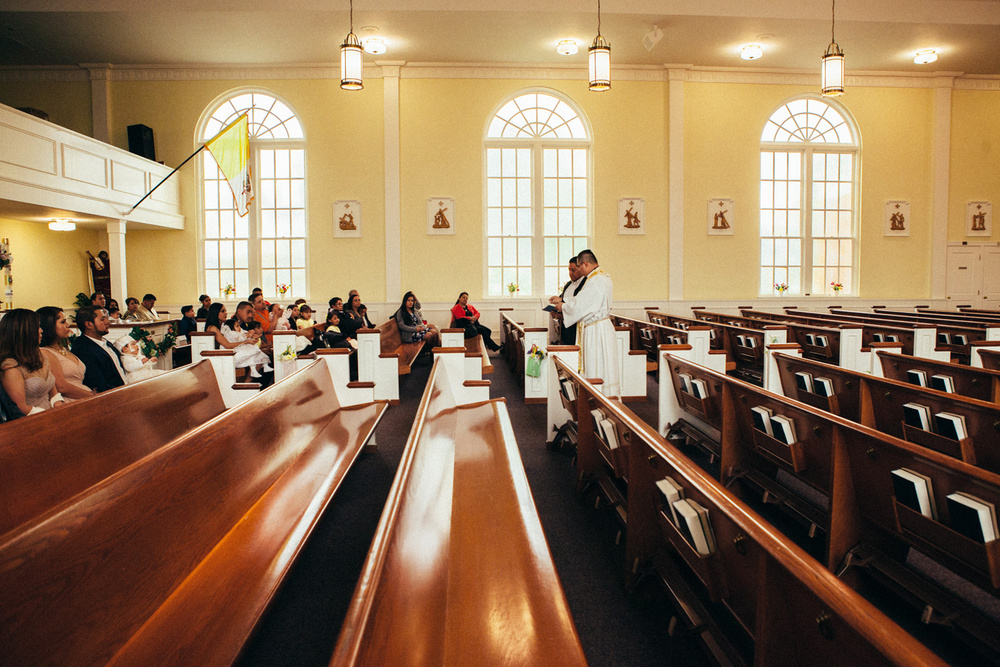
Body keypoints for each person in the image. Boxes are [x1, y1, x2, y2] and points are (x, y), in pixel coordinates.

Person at [550, 249, 620, 398]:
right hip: (597, 327)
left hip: (596, 331)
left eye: (579, 267)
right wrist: (565, 302)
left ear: (585, 264)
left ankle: (599, 397)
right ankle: (602, 396)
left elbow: (581, 305)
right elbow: (582, 300)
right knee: (602, 365)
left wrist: (563, 306)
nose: (579, 271)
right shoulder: (600, 277)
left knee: (597, 364)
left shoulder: (596, 280)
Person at [0, 308, 65, 415]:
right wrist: (50, 417)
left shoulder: (40, 357)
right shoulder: (10, 368)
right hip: (33, 420)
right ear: (24, 332)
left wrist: (59, 408)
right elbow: (21, 408)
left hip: (52, 413)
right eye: (37, 327)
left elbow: (53, 393)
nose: (41, 330)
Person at [37, 306, 95, 402]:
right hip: (69, 401)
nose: (68, 325)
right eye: (63, 322)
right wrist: (92, 395)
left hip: (84, 397)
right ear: (50, 325)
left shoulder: (64, 348)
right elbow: (61, 387)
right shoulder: (45, 352)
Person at [204, 302, 271, 378]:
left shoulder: (222, 326)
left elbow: (236, 337)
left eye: (225, 311)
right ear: (215, 313)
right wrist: (246, 342)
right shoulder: (213, 328)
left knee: (257, 355)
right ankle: (247, 385)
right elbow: (228, 345)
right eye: (222, 311)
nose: (226, 313)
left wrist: (251, 337)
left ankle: (249, 384)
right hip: (221, 356)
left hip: (227, 352)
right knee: (256, 355)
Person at [71, 305, 126, 393]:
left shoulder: (105, 342)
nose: (107, 322)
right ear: (88, 324)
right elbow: (98, 383)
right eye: (102, 319)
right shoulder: (83, 349)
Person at [556, 257, 588, 345]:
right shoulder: (568, 284)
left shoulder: (586, 284)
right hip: (565, 327)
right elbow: (562, 299)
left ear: (580, 268)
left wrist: (562, 313)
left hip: (576, 328)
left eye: (573, 270)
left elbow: (577, 304)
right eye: (569, 270)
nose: (570, 273)